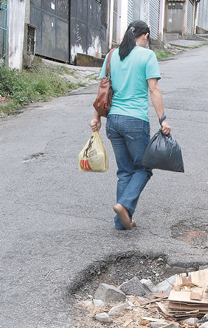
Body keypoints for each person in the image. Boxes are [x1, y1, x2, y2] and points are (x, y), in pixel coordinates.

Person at [90, 20, 171, 230]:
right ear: (144, 36)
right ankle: (124, 205)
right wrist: (163, 119)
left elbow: (103, 90)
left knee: (125, 171)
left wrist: (96, 117)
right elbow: (154, 90)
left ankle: (121, 221)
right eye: (148, 39)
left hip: (113, 121)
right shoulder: (147, 56)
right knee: (144, 168)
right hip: (135, 121)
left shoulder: (111, 55)